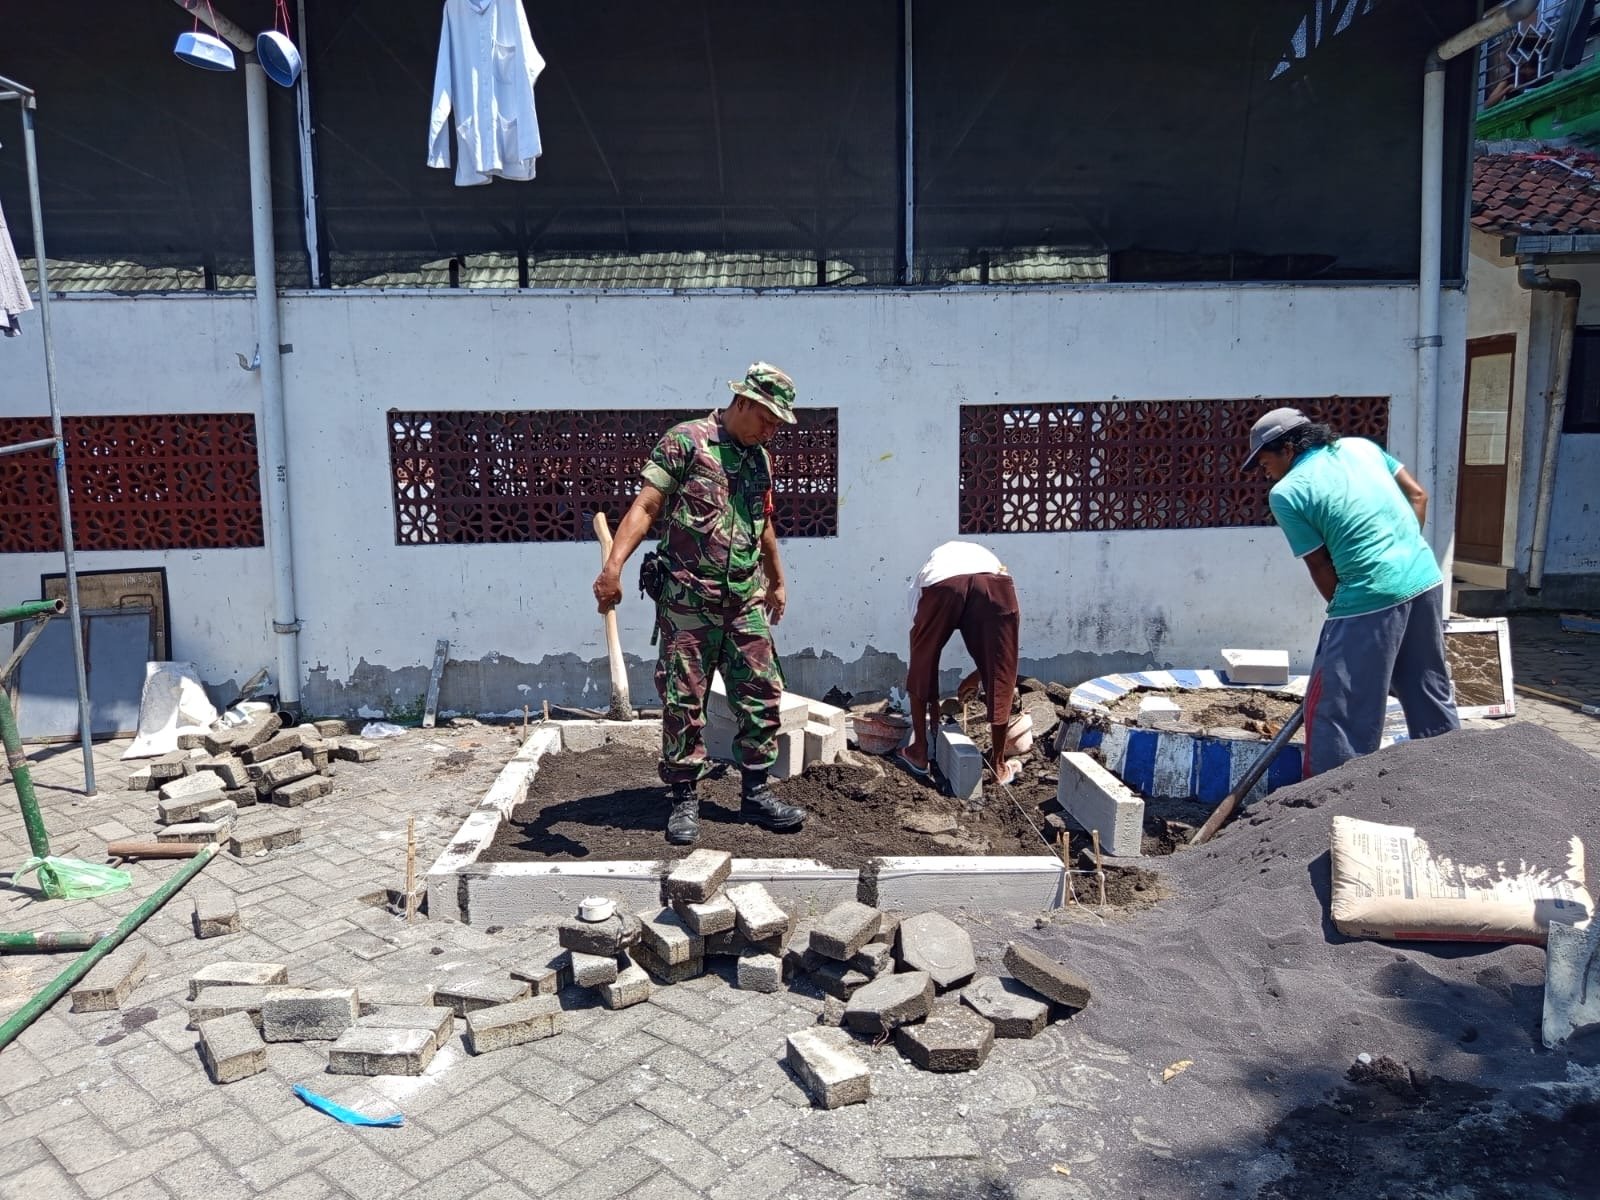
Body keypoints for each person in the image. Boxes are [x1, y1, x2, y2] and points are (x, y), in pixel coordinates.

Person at [592, 363, 808, 845]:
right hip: (689, 602)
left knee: (762, 693)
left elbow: (762, 523)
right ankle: (684, 797)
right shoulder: (686, 442)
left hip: (744, 600)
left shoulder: (760, 460)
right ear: (743, 402)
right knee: (684, 700)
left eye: (778, 424)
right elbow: (646, 506)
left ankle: (756, 794)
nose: (771, 431)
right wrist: (613, 567)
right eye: (767, 419)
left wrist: (777, 580)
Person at [1244, 406, 1459, 776]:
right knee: (1427, 689)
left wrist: (1348, 617)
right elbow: (1418, 495)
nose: (1265, 473)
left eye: (1265, 463)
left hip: (1368, 593)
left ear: (1288, 449)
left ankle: (1332, 798)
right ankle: (1453, 779)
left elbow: (1320, 565)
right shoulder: (1362, 447)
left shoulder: (1287, 493)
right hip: (1424, 577)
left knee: (1340, 710)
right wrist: (1401, 552)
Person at [898, 541, 1022, 786]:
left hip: (942, 584)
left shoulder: (922, 580)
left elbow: (920, 646)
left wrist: (932, 685)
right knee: (1001, 667)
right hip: (994, 585)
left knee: (922, 661)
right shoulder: (985, 560)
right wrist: (979, 675)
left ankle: (919, 751)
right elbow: (999, 656)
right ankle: (999, 766)